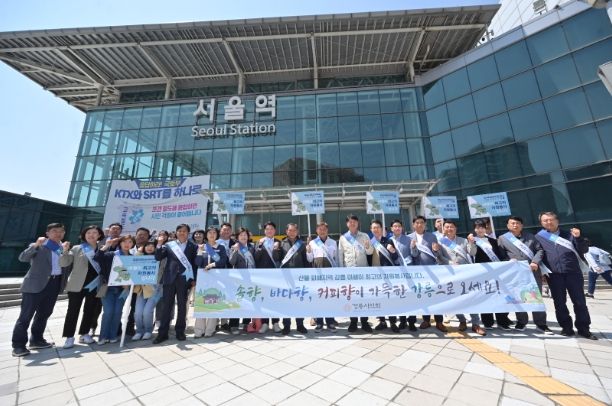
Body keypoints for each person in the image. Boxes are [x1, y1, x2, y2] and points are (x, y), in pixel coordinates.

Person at [535, 212, 597, 340]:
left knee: (580, 302)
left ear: (557, 221)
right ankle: (566, 328)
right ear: (541, 223)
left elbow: (583, 250)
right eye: (545, 220)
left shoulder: (570, 234)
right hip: (554, 275)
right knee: (559, 303)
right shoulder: (539, 237)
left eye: (551, 219)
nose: (548, 222)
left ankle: (584, 329)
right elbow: (538, 253)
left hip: (573, 273)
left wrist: (578, 238)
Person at [12, 223, 70, 357]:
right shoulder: (39, 245)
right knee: (25, 316)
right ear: (47, 233)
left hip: (54, 283)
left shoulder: (62, 248)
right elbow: (23, 258)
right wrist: (36, 245)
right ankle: (18, 346)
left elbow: (66, 266)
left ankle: (37, 340)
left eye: (61, 231)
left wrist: (66, 251)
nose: (58, 234)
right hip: (35, 285)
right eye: (54, 231)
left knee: (44, 314)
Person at [497, 216, 552, 334]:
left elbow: (540, 250)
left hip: (532, 271)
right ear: (508, 225)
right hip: (515, 273)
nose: (515, 225)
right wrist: (508, 261)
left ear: (522, 225)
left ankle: (541, 324)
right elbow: (500, 255)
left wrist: (535, 261)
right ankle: (521, 322)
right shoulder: (502, 238)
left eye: (517, 223)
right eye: (512, 223)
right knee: (518, 297)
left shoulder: (530, 236)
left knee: (536, 297)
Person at [60, 225, 105, 348]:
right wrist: (64, 250)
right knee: (72, 311)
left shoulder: (103, 249)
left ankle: (84, 334)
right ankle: (69, 337)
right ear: (84, 235)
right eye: (88, 232)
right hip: (77, 284)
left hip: (95, 285)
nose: (91, 235)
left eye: (94, 232)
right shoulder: (77, 248)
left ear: (99, 235)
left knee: (90, 311)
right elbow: (64, 263)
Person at [154, 224, 198, 344]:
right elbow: (158, 257)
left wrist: (194, 279)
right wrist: (159, 244)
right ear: (176, 232)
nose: (182, 233)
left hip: (184, 280)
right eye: (180, 231)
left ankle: (180, 331)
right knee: (166, 307)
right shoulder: (169, 245)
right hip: (169, 279)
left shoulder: (193, 246)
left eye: (184, 231)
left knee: (182, 307)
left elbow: (194, 264)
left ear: (188, 233)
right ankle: (162, 333)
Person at [408, 216, 446, 332]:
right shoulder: (409, 237)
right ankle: (426, 320)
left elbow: (437, 254)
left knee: (435, 295)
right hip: (418, 272)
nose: (419, 225)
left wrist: (436, 250)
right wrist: (413, 248)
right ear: (413, 225)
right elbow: (413, 255)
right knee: (424, 295)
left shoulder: (432, 236)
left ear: (425, 224)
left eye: (422, 223)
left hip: (431, 270)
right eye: (417, 223)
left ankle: (439, 321)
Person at [94, 235, 134, 344]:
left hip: (123, 289)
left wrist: (128, 283)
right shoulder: (112, 254)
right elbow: (97, 258)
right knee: (108, 312)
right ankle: (103, 336)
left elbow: (134, 274)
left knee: (117, 312)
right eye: (124, 242)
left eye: (130, 242)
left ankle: (112, 335)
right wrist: (106, 246)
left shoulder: (133, 257)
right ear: (120, 243)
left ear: (133, 244)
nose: (127, 244)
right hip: (108, 288)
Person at [338, 214, 374, 333]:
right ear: (347, 224)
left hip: (363, 272)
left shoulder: (364, 236)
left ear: (358, 223)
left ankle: (364, 322)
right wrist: (341, 272)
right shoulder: (343, 238)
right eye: (350, 221)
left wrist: (368, 247)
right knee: (351, 298)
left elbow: (370, 252)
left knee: (363, 297)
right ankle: (353, 322)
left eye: (354, 221)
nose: (352, 223)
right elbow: (340, 255)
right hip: (349, 273)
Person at [194, 226, 229, 338]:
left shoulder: (221, 247)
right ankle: (199, 330)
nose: (212, 234)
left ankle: (210, 330)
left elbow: (223, 261)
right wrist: (200, 251)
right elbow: (197, 262)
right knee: (201, 303)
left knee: (213, 303)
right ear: (206, 234)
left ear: (217, 235)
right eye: (210, 232)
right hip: (203, 279)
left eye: (214, 232)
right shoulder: (202, 247)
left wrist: (213, 264)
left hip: (216, 278)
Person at [306, 221, 338, 333]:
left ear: (327, 230)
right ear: (316, 230)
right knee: (318, 298)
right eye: (320, 229)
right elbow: (310, 259)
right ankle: (319, 322)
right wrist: (308, 251)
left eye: (324, 229)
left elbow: (336, 259)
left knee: (329, 298)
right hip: (317, 274)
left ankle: (330, 322)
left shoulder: (333, 242)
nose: (322, 231)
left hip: (330, 274)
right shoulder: (312, 243)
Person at [254, 221, 284, 333]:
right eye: (267, 229)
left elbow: (280, 258)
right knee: (263, 299)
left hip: (275, 276)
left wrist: (276, 250)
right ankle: (265, 323)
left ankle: (276, 323)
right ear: (264, 231)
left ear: (275, 230)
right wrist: (260, 247)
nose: (269, 231)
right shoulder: (259, 242)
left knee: (275, 299)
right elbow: (255, 258)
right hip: (262, 276)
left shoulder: (279, 242)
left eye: (271, 229)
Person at [369, 220, 399, 332]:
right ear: (371, 230)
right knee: (379, 298)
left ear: (381, 229)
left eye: (378, 227)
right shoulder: (370, 242)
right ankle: (382, 321)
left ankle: (393, 322)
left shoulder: (388, 240)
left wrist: (392, 251)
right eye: (373, 228)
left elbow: (395, 257)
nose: (376, 229)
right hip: (375, 275)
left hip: (388, 274)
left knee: (390, 298)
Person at [279, 223, 309, 335]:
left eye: (294, 230)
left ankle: (300, 324)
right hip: (286, 277)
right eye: (290, 230)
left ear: (297, 232)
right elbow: (278, 259)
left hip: (299, 277)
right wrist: (276, 250)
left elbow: (306, 261)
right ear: (286, 231)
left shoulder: (302, 244)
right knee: (286, 302)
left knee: (299, 301)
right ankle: (286, 325)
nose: (292, 232)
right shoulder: (281, 243)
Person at [389, 219, 416, 331]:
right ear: (391, 229)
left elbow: (415, 255)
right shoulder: (389, 240)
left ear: (402, 228)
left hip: (409, 271)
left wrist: (413, 247)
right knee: (400, 296)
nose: (397, 228)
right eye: (395, 226)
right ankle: (403, 320)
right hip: (397, 273)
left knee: (411, 297)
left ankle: (412, 322)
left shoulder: (409, 239)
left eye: (399, 226)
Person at [228, 227, 257, 334]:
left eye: (245, 235)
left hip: (251, 279)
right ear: (237, 237)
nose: (243, 237)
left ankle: (246, 323)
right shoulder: (234, 247)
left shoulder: (252, 247)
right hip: (238, 279)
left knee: (248, 301)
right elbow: (231, 262)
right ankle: (234, 325)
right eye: (241, 235)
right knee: (237, 301)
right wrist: (235, 250)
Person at [132, 242, 163, 340]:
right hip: (142, 289)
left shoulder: (158, 258)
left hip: (155, 288)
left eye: (152, 246)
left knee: (147, 311)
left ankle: (148, 331)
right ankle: (139, 331)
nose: (150, 248)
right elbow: (133, 263)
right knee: (138, 312)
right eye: (147, 246)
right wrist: (139, 252)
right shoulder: (140, 257)